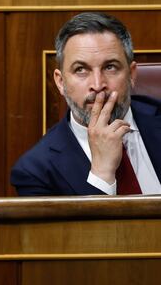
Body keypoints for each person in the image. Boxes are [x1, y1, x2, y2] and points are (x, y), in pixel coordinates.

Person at [11, 12, 161, 196]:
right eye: (81, 69)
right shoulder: (36, 172)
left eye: (110, 67)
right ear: (60, 82)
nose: (98, 85)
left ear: (131, 74)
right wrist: (102, 174)